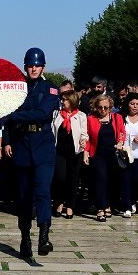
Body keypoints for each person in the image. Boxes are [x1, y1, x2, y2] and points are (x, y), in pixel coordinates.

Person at [0, 47, 58, 259]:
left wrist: (15, 116)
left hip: (42, 145)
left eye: (37, 65)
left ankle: (44, 234)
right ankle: (25, 236)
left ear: (43, 66)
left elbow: (42, 114)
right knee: (23, 197)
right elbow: (5, 114)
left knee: (42, 191)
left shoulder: (50, 89)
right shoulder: (17, 88)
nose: (33, 68)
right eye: (30, 65)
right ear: (25, 66)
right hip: (21, 144)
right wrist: (6, 140)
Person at [83, 94, 126, 221]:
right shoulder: (91, 119)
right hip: (98, 154)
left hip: (113, 154)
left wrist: (120, 142)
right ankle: (100, 208)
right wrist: (86, 152)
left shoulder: (117, 117)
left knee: (111, 181)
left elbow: (122, 132)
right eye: (100, 107)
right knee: (100, 180)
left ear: (110, 107)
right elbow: (88, 137)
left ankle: (108, 205)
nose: (103, 110)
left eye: (106, 107)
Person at [50, 90, 87, 219]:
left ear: (72, 101)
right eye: (62, 99)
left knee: (72, 179)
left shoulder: (81, 116)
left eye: (65, 99)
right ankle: (58, 202)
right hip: (59, 151)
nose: (62, 102)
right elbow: (52, 131)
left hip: (75, 152)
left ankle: (70, 206)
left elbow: (84, 133)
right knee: (60, 178)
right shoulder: (57, 114)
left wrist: (83, 140)